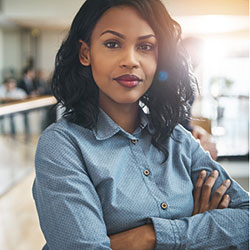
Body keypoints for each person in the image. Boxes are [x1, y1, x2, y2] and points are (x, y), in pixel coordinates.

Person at [32, 0, 249, 249]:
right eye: (112, 44)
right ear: (85, 53)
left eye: (145, 46)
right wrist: (199, 229)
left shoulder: (177, 139)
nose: (130, 61)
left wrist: (149, 237)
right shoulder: (62, 146)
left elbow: (246, 216)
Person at [180, 37, 218, 160]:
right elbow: (170, 123)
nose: (197, 56)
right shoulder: (174, 82)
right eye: (194, 50)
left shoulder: (189, 81)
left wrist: (194, 129)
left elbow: (184, 119)